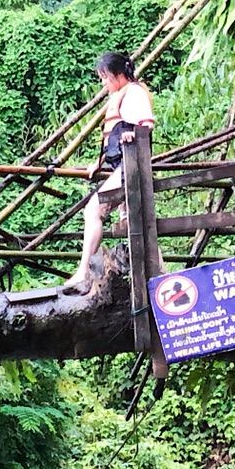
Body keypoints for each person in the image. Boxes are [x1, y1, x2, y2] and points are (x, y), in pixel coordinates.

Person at [64, 51, 156, 290]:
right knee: (131, 221)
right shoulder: (123, 94)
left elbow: (143, 126)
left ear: (118, 74)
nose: (103, 83)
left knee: (94, 209)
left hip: (132, 165)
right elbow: (116, 135)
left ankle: (83, 271)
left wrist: (133, 135)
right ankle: (149, 275)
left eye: (105, 77)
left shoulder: (134, 92)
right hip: (124, 164)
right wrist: (100, 162)